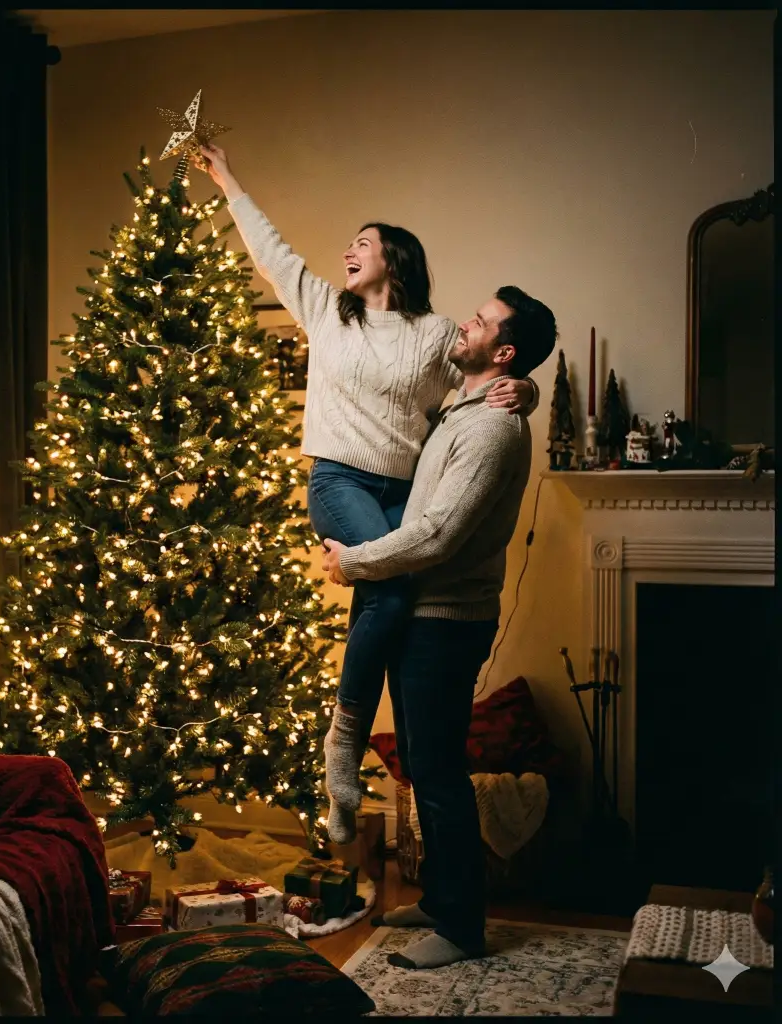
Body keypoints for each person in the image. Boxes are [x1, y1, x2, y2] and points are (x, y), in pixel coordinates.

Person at [195, 144, 540, 845]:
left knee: (397, 606)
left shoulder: (437, 334)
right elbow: (271, 249)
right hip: (340, 481)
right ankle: (343, 753)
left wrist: (528, 388)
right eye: (349, 245)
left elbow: (487, 369)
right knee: (385, 597)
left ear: (396, 260)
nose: (348, 252)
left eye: (364, 244)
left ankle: (377, 781)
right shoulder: (326, 308)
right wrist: (228, 176)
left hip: (404, 496)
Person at [321, 286, 557, 970]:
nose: (465, 322)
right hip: (421, 614)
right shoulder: (470, 398)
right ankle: (441, 898)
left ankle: (460, 928)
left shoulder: (492, 428)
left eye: (480, 322)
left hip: (447, 624)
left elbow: (439, 535)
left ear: (503, 352)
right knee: (429, 768)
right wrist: (526, 390)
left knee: (439, 772)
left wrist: (355, 562)